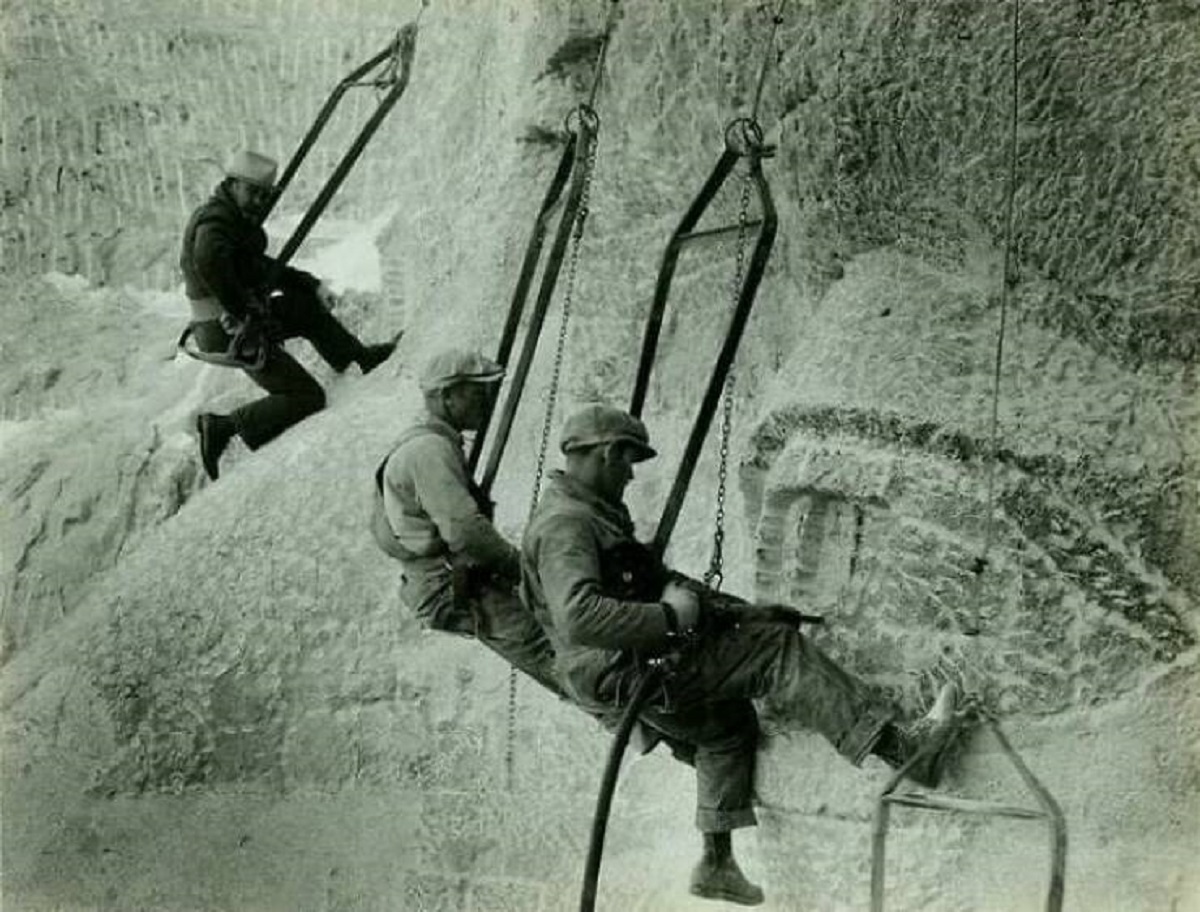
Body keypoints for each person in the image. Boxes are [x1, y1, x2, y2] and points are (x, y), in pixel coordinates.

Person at [521, 404, 964, 907]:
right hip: (625, 670)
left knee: (725, 727)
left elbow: (661, 584)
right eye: (627, 462)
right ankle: (904, 749)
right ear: (606, 452)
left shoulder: (591, 516)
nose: (628, 475)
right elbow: (581, 616)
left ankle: (716, 861)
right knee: (776, 653)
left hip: (619, 668)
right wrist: (672, 621)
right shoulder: (566, 524)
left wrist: (747, 614)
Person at [181, 148, 399, 480]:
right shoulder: (215, 222)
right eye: (251, 192)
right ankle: (223, 426)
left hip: (236, 319)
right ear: (233, 184)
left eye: (263, 195)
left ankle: (356, 357)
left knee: (300, 304)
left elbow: (258, 267)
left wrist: (309, 283)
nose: (257, 201)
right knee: (306, 396)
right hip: (225, 328)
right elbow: (208, 260)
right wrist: (247, 313)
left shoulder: (232, 218)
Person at [369, 347, 562, 697]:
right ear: (447, 395)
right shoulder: (429, 450)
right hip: (451, 584)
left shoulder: (425, 441)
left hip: (444, 581)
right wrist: (523, 570)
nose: (486, 401)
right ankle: (680, 741)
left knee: (557, 652)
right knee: (554, 655)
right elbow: (466, 532)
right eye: (477, 392)